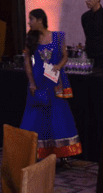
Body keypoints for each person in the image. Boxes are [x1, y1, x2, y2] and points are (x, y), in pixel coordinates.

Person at [20, 9, 81, 161]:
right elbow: (26, 59)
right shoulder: (31, 38)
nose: (29, 22)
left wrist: (58, 66)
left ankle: (61, 154)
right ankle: (36, 152)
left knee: (57, 116)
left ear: (40, 20)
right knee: (37, 117)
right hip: (39, 82)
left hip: (54, 81)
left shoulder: (58, 37)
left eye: (31, 19)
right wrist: (31, 82)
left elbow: (65, 56)